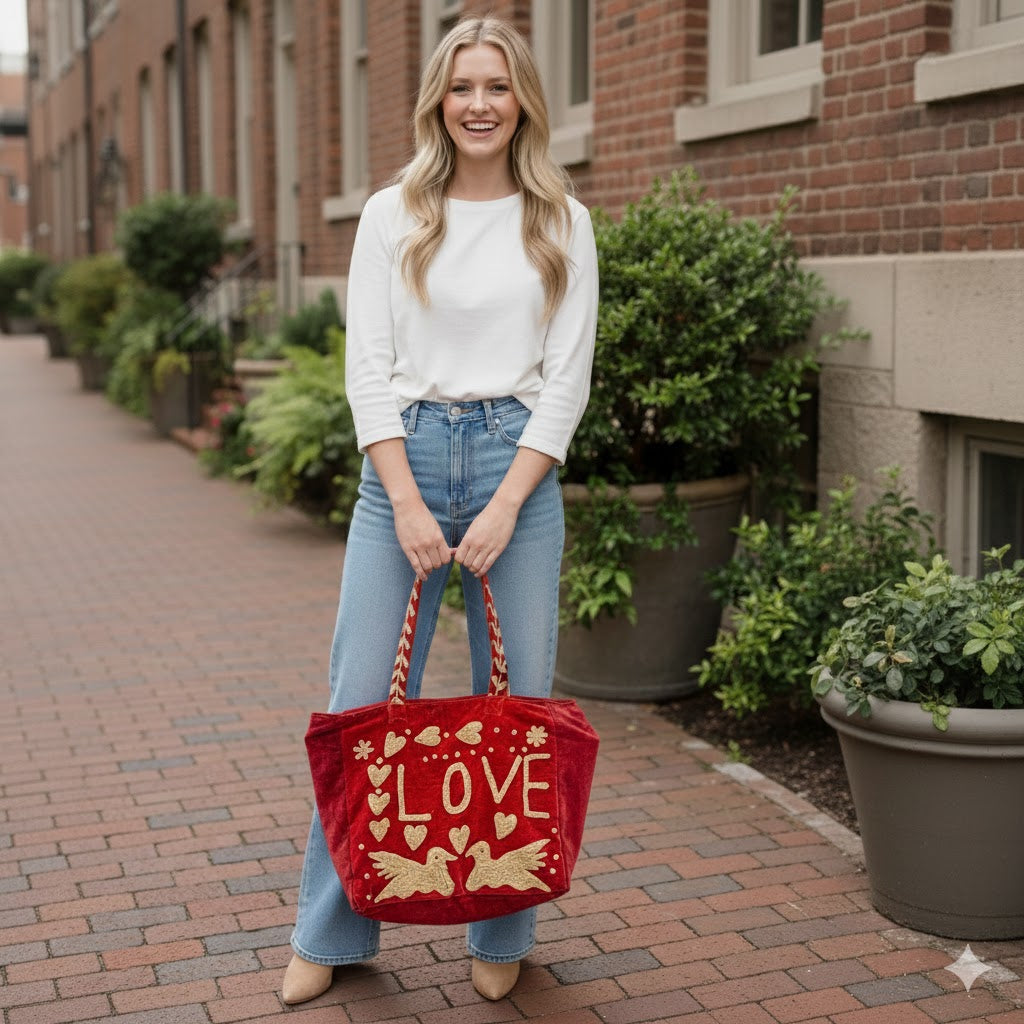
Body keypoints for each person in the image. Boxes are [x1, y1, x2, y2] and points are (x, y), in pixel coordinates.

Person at [283, 15, 598, 1005]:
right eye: (461, 86)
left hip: (519, 471)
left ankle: (500, 923)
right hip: (403, 469)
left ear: (522, 102)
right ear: (436, 99)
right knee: (360, 705)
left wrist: (508, 501)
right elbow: (365, 370)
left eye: (496, 87)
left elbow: (567, 380)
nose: (477, 104)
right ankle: (330, 930)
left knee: (516, 712)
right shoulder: (391, 214)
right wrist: (409, 501)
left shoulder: (562, 221)